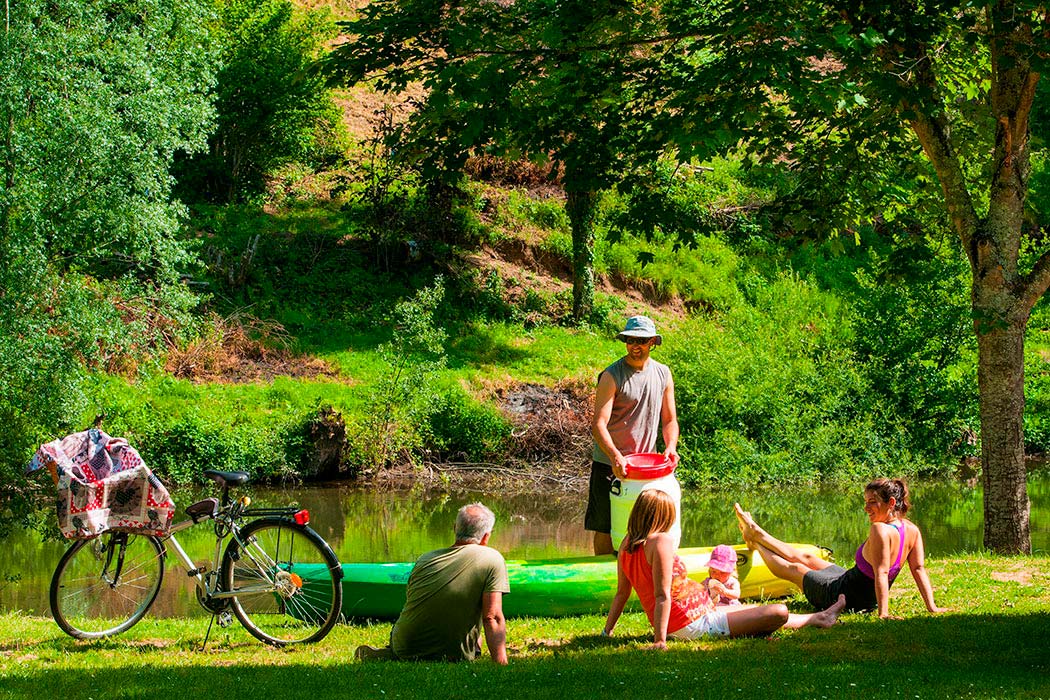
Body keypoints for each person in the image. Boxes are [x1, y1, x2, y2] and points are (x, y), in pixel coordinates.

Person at [602, 490, 845, 648]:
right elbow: (662, 594)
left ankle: (819, 618)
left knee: (755, 609)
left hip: (699, 613)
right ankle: (819, 618)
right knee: (778, 611)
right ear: (662, 516)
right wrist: (660, 640)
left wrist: (607, 632)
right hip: (694, 624)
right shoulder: (660, 542)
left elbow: (622, 593)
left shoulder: (626, 544)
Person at [734, 478, 948, 618]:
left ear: (891, 502)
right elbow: (918, 569)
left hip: (843, 597)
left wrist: (884, 614)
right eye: (865, 502)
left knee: (795, 570)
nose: (867, 508)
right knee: (807, 556)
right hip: (849, 580)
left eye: (872, 502)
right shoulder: (912, 529)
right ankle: (758, 534)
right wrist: (932, 607)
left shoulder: (880, 530)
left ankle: (756, 543)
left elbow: (882, 572)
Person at [354, 503, 509, 664]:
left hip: (405, 646)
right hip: (454, 655)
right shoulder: (492, 558)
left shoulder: (425, 558)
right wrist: (501, 663)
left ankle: (393, 654)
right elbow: (492, 617)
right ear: (486, 537)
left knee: (478, 639)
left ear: (454, 528)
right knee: (476, 639)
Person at [589, 315, 679, 555]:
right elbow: (598, 424)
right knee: (605, 526)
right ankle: (604, 574)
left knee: (643, 526)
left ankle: (639, 572)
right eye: (630, 340)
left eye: (641, 340)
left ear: (652, 343)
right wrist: (615, 456)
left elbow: (670, 420)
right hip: (610, 464)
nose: (635, 346)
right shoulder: (611, 376)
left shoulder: (663, 374)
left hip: (645, 469)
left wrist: (671, 447)